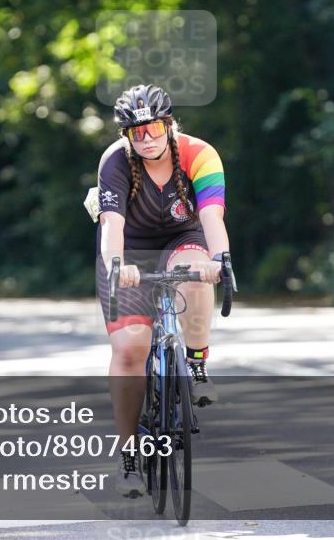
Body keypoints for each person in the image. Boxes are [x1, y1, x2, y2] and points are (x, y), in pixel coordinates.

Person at [94, 84, 232, 498]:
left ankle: (195, 362)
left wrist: (219, 260)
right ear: (126, 136)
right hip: (129, 251)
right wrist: (118, 267)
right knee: (130, 348)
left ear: (168, 124)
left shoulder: (199, 154)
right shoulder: (115, 162)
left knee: (194, 270)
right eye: (137, 132)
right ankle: (129, 454)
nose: (147, 138)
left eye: (153, 128)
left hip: (182, 239)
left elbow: (211, 217)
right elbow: (111, 226)